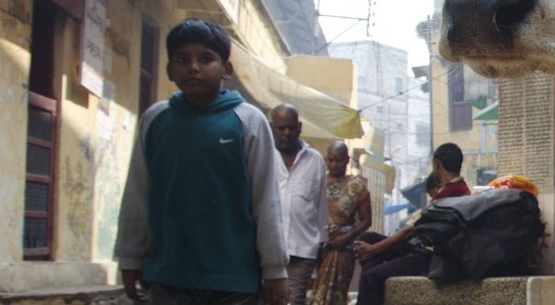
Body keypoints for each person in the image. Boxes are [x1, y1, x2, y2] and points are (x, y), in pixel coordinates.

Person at [116, 19, 289, 305]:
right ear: (170, 69)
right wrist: (130, 257)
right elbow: (137, 192)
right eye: (183, 59)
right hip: (168, 275)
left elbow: (266, 200)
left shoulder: (248, 121)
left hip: (233, 278)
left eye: (206, 59)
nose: (193, 67)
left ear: (226, 69)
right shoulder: (156, 120)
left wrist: (275, 269)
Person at [350, 144, 468, 305]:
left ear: (437, 164)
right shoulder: (461, 189)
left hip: (428, 257)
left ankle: (367, 296)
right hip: (425, 251)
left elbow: (408, 232)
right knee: (368, 237)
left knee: (371, 277)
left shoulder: (448, 195)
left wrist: (372, 250)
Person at [271, 104, 326, 305]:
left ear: (299, 128)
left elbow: (320, 205)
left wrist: (321, 241)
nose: (286, 133)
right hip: (267, 249)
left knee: (293, 300)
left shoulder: (315, 160)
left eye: (291, 127)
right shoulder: (263, 156)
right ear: (271, 127)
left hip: (302, 249)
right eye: (280, 128)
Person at [306, 143, 369, 305]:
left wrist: (346, 237)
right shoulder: (317, 182)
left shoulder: (357, 186)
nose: (334, 164)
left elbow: (366, 220)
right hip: (318, 248)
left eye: (339, 160)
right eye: (331, 160)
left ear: (347, 160)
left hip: (342, 250)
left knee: (338, 295)